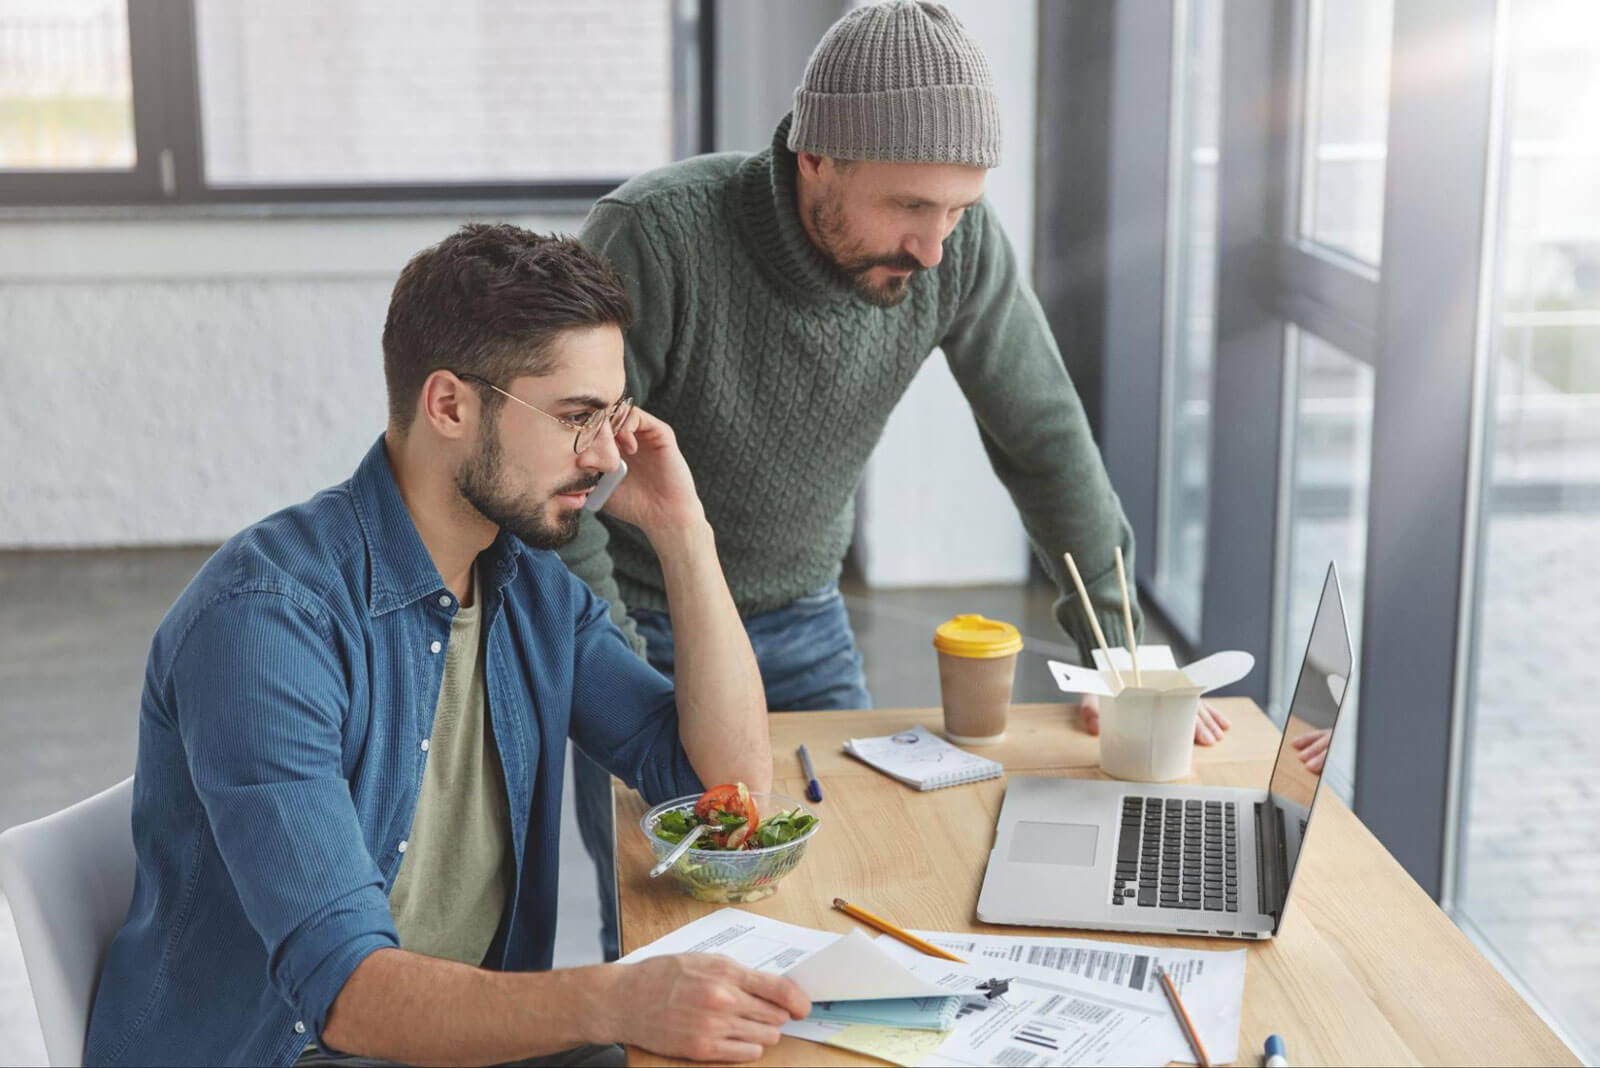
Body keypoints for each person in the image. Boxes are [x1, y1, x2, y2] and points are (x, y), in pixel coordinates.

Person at [563, 0, 1229, 960]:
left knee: (857, 880)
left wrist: (1122, 654)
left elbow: (1043, 437)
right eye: (911, 207)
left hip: (801, 615)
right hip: (638, 620)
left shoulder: (958, 254)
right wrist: (616, 680)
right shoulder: (655, 238)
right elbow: (567, 479)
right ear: (817, 159)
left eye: (958, 210)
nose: (935, 246)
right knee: (678, 926)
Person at [85, 225, 809, 1068]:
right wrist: (615, 997)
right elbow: (346, 992)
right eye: (577, 416)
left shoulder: (526, 585)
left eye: (612, 417)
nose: (607, 455)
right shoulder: (266, 623)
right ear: (450, 405)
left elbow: (723, 789)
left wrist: (685, 533)